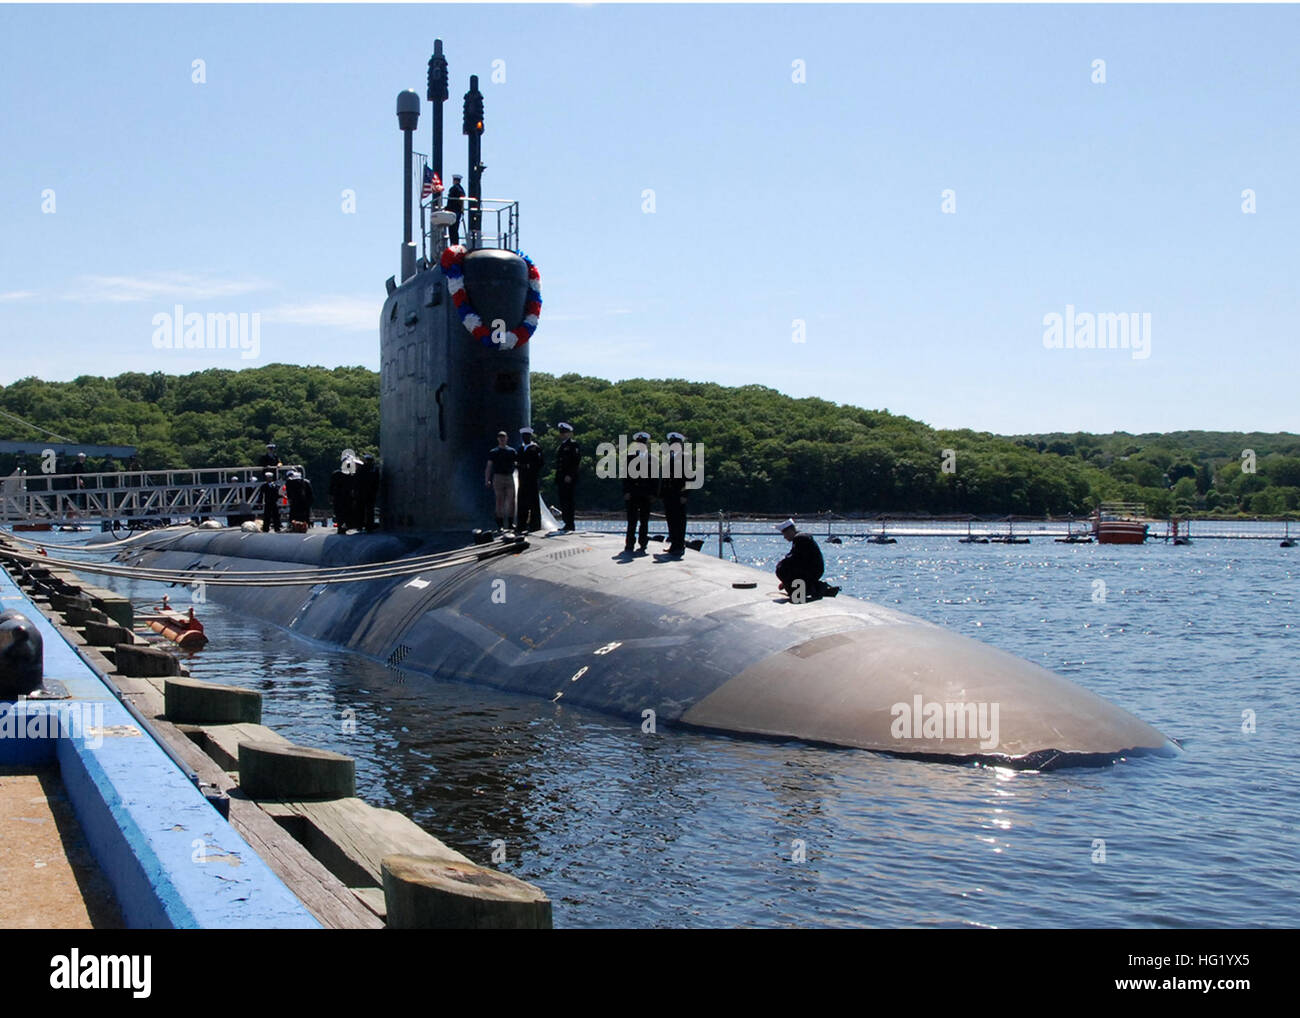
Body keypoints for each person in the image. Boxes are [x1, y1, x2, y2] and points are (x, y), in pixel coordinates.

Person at [775, 519, 837, 601]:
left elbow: (793, 559)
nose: (784, 537)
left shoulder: (800, 538)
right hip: (813, 570)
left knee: (781, 569)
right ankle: (812, 587)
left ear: (790, 531)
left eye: (785, 534)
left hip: (811, 571)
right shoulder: (801, 537)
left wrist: (784, 575)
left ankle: (811, 589)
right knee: (784, 567)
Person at [623, 431, 654, 554]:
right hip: (633, 493)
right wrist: (626, 491)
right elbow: (625, 476)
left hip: (646, 494)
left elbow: (655, 479)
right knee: (632, 520)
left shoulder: (652, 459)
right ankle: (629, 544)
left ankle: (643, 543)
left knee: (644, 520)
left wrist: (653, 494)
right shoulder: (630, 458)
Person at [661, 432, 688, 556]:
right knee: (670, 520)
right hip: (669, 494)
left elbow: (690, 478)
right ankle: (673, 544)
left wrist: (685, 495)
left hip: (679, 493)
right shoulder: (668, 457)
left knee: (679, 520)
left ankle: (680, 545)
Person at [484, 431, 517, 531]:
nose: (502, 439)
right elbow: (489, 467)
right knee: (499, 501)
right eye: (500, 437)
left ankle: (510, 523)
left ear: (507, 438)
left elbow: (517, 464)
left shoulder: (512, 451)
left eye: (503, 437)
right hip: (498, 477)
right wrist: (487, 480)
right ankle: (500, 525)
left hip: (509, 476)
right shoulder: (494, 452)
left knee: (511, 501)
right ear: (498, 439)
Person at [515, 427, 544, 532]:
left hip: (532, 479)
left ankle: (535, 525)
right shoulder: (520, 449)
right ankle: (521, 525)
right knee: (522, 503)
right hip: (522, 480)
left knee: (534, 503)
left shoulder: (535, 448)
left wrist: (528, 466)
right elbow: (516, 462)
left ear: (530, 436)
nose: (525, 438)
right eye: (524, 436)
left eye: (527, 436)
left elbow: (540, 463)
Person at [554, 423, 580, 532]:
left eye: (565, 433)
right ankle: (566, 522)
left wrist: (570, 475)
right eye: (562, 433)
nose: (563, 435)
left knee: (569, 501)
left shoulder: (573, 445)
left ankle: (570, 523)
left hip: (569, 478)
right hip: (561, 478)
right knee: (563, 501)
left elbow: (576, 462)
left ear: (570, 433)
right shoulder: (561, 446)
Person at [329, 454, 357, 534]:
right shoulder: (337, 474)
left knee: (346, 513)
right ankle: (341, 526)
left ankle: (345, 526)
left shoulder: (352, 475)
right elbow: (331, 487)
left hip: (347, 497)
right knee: (340, 513)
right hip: (341, 498)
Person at [356, 453, 380, 532]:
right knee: (370, 510)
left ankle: (360, 525)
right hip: (371, 492)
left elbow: (357, 480)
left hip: (362, 492)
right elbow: (377, 481)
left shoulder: (362, 468)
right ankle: (369, 526)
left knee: (361, 509)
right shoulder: (375, 469)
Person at [445, 174, 465, 246]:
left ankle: (453, 243)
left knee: (452, 229)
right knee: (455, 229)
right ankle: (455, 243)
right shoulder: (461, 189)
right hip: (457, 211)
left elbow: (452, 201)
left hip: (453, 211)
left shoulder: (454, 188)